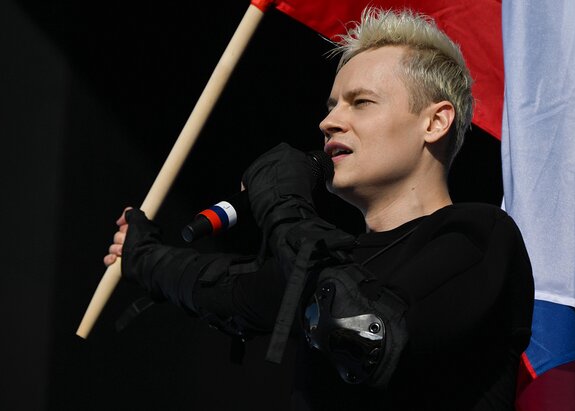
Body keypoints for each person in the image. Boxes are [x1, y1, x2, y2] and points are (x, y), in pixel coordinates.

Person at [104, 7, 534, 410]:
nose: (329, 122)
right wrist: (142, 256)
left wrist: (281, 201)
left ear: (435, 122)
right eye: (332, 107)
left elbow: (363, 332)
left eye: (361, 102)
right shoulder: (335, 263)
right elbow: (225, 287)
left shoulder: (480, 236)